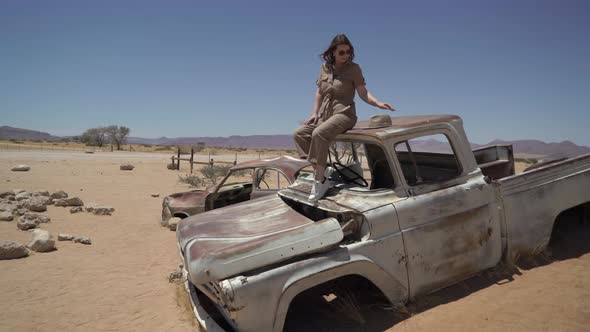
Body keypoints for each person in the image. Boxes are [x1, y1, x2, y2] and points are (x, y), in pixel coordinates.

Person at [294, 34, 396, 201]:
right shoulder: (324, 68)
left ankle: (319, 180)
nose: (346, 55)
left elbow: (363, 92)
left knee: (318, 134)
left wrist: (377, 103)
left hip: (345, 114)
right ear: (333, 52)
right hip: (325, 116)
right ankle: (321, 170)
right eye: (342, 52)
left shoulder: (354, 69)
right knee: (299, 134)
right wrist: (314, 113)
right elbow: (319, 92)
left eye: (348, 52)